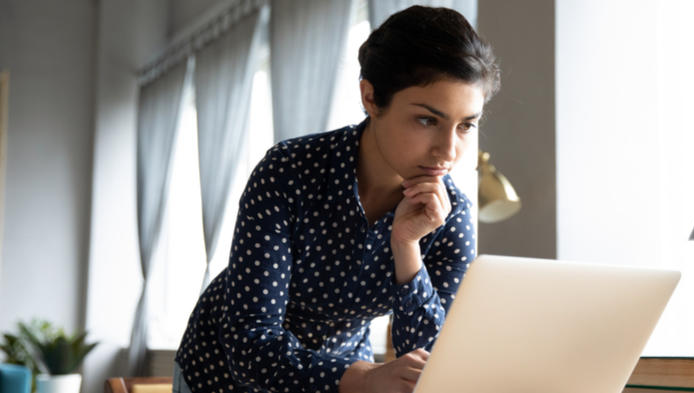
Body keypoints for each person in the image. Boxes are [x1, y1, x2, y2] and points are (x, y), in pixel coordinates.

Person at [173, 5, 500, 393]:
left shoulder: (450, 216)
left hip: (344, 380)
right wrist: (362, 377)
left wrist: (406, 247)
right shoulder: (289, 171)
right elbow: (250, 346)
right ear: (371, 97)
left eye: (465, 126)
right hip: (223, 377)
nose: (448, 151)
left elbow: (429, 362)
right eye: (427, 120)